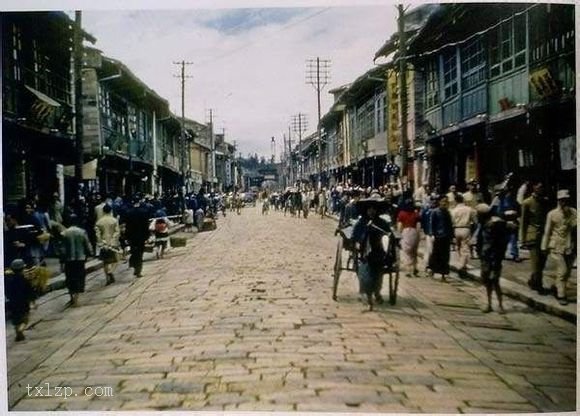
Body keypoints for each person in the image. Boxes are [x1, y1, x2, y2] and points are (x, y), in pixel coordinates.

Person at [352, 193, 391, 310]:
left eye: (374, 209)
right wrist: (360, 239)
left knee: (378, 275)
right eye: (369, 208)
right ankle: (369, 299)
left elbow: (388, 236)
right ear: (366, 210)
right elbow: (355, 236)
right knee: (366, 276)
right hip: (364, 253)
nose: (372, 211)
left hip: (378, 253)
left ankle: (377, 292)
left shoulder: (382, 223)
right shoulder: (361, 222)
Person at [541, 190, 577, 305]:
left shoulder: (573, 212)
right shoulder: (552, 214)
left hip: (570, 246)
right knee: (562, 271)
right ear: (558, 201)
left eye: (566, 200)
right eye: (562, 200)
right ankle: (561, 295)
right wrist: (544, 246)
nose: (564, 202)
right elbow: (547, 232)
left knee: (567, 272)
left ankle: (558, 288)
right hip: (557, 246)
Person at [475, 203, 509, 313]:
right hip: (485, 257)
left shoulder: (495, 224)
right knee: (487, 281)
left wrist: (498, 256)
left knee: (495, 280)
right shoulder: (483, 225)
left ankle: (500, 304)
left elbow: (501, 242)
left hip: (494, 256)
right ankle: (488, 303)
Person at [519, 182, 549, 294]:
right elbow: (523, 222)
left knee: (542, 262)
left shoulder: (544, 201)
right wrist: (522, 239)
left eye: (542, 187)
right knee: (536, 263)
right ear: (534, 187)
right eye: (539, 187)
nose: (541, 189)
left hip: (544, 236)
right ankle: (539, 286)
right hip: (532, 236)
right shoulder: (527, 202)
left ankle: (533, 280)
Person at [62, 214, 93, 307]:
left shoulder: (65, 233)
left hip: (69, 259)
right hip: (80, 258)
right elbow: (87, 244)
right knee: (79, 277)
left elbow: (62, 248)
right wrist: (90, 253)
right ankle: (76, 298)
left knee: (70, 278)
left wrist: (62, 258)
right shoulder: (82, 232)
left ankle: (72, 297)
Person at [4, 259, 35, 341]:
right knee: (25, 319)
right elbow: (30, 292)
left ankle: (18, 334)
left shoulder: (9, 281)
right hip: (23, 303)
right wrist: (33, 302)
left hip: (13, 303)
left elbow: (7, 292)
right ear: (22, 269)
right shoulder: (25, 280)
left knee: (16, 320)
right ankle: (21, 330)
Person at [451, 193, 477, 277]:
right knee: (465, 248)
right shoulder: (469, 209)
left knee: (458, 247)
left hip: (456, 229)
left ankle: (461, 263)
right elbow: (475, 220)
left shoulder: (453, 210)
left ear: (455, 201)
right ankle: (462, 265)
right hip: (466, 228)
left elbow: (451, 221)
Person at [428, 195, 453, 281]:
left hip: (446, 236)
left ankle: (444, 273)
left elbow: (450, 225)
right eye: (443, 201)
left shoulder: (447, 212)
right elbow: (432, 224)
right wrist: (432, 234)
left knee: (445, 255)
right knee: (436, 253)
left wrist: (451, 236)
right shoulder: (435, 212)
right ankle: (433, 270)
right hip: (438, 235)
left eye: (446, 201)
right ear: (439, 202)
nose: (444, 203)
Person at [124, 196, 150, 278]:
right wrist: (147, 236)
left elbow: (127, 226)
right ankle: (138, 269)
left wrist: (126, 237)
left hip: (132, 236)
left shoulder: (128, 212)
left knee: (134, 251)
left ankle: (135, 265)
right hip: (141, 236)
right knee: (140, 252)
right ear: (139, 202)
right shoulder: (144, 212)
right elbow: (146, 225)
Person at [95, 204, 121, 285]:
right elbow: (117, 232)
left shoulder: (99, 222)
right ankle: (111, 271)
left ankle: (107, 279)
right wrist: (113, 241)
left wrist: (100, 243)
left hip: (104, 243)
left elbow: (97, 234)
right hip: (113, 243)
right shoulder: (114, 220)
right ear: (111, 210)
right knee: (116, 259)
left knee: (105, 262)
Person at [396, 198, 420, 277]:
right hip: (414, 231)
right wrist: (418, 234)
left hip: (406, 231)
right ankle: (414, 268)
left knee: (406, 252)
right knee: (414, 252)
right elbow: (418, 226)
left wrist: (399, 234)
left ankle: (408, 270)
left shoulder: (401, 213)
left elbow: (399, 226)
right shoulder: (416, 213)